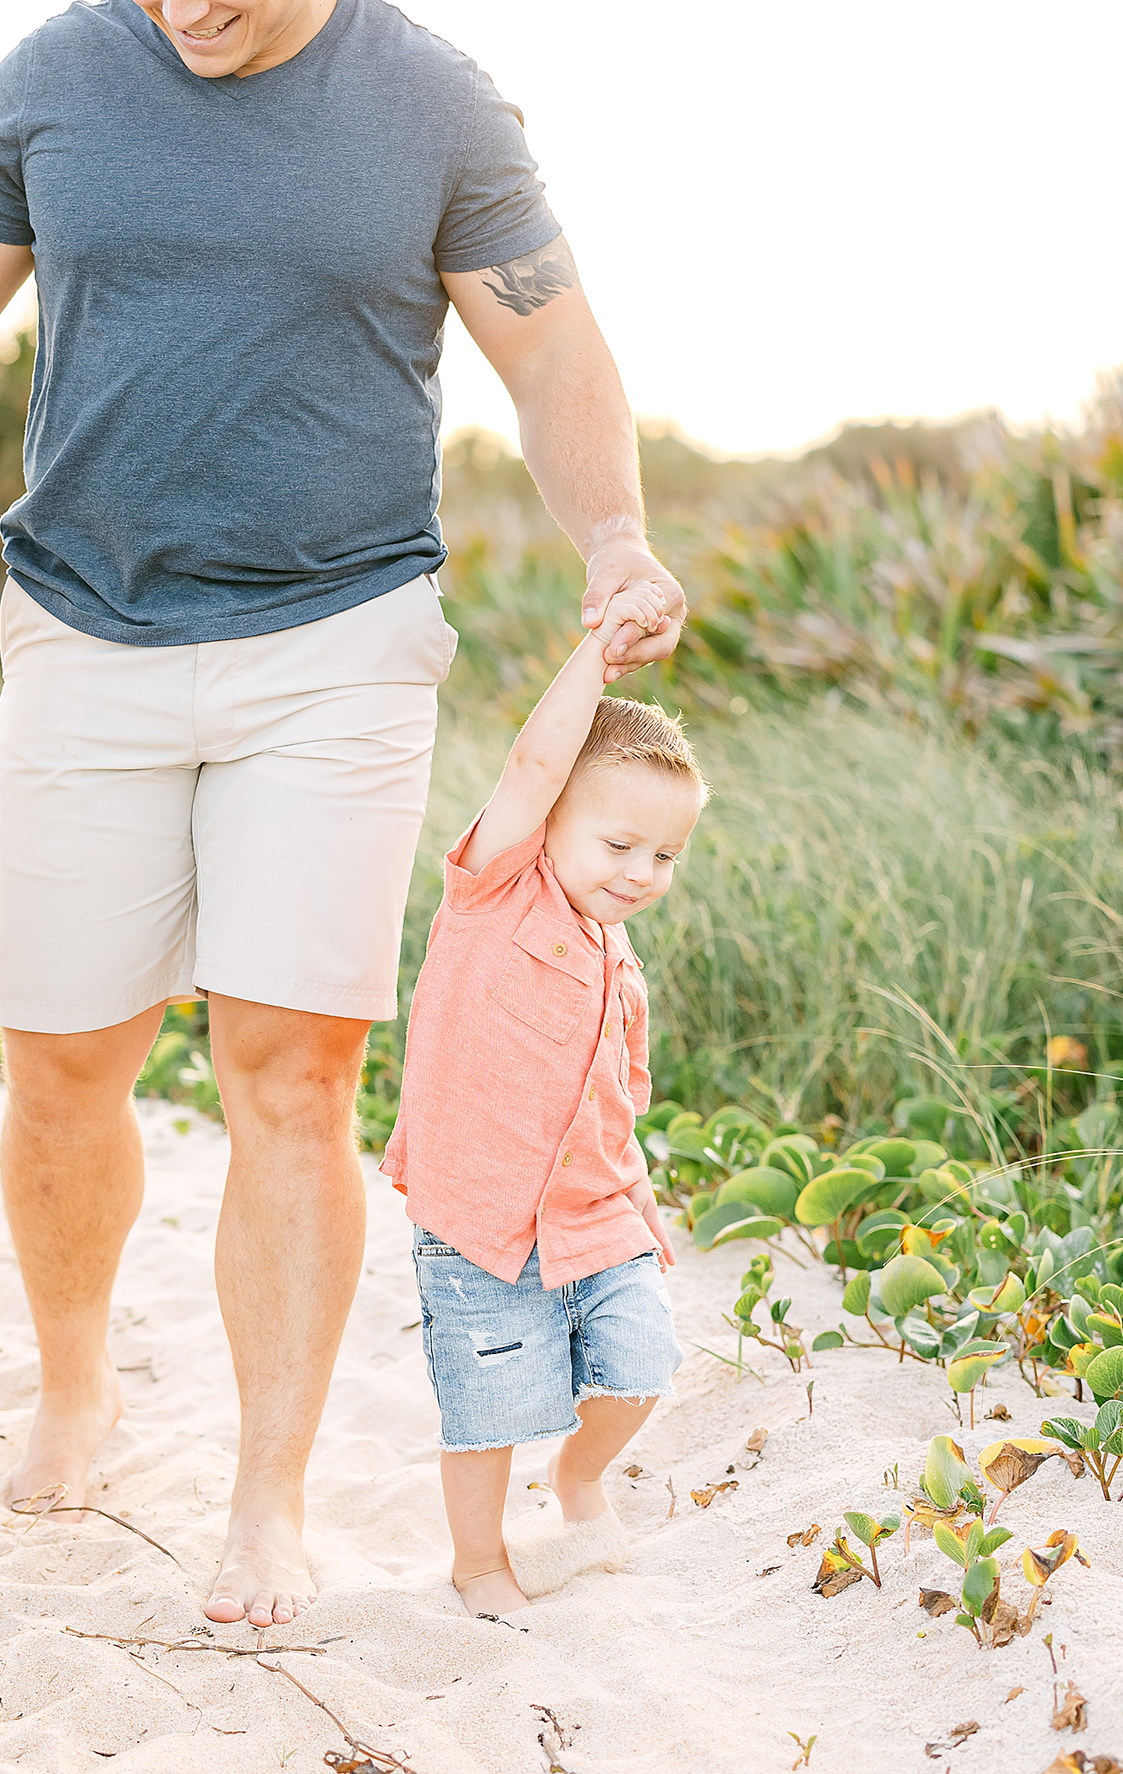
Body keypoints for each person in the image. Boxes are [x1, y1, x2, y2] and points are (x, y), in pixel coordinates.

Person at [0, 0, 690, 1626]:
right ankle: (76, 1381)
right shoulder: (58, 77)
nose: (177, 8)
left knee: (288, 1073)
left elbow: (549, 345)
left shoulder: (435, 105)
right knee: (65, 1060)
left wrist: (617, 535)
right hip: (86, 624)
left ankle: (266, 1498)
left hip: (342, 640)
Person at [380, 589, 705, 1615]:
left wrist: (640, 1201)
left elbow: (611, 1105)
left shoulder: (620, 964)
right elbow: (531, 762)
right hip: (477, 1215)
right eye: (618, 846)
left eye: (663, 855)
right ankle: (478, 1558)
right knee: (487, 1408)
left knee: (645, 1361)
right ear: (553, 819)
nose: (642, 872)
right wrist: (598, 659)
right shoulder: (493, 892)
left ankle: (579, 1478)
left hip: (596, 1211)